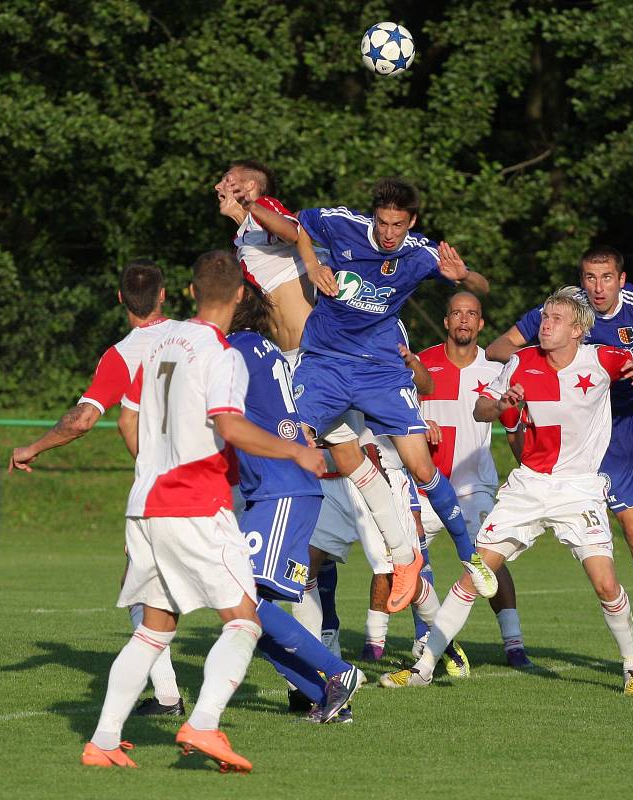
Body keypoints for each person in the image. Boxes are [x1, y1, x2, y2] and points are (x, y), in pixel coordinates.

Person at [80, 251, 325, 771]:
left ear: (189, 292)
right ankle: (206, 724)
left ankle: (102, 740)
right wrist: (297, 450)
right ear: (240, 296)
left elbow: (130, 416)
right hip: (195, 503)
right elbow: (230, 426)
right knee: (243, 620)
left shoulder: (159, 343)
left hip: (147, 504)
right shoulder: (222, 354)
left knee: (154, 629)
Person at [381, 287, 633, 695]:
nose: (544, 325)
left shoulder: (601, 360)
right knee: (474, 575)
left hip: (579, 488)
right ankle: (424, 667)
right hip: (528, 484)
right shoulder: (521, 362)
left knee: (604, 584)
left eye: (555, 320)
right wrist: (501, 405)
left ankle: (632, 668)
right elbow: (481, 408)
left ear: (578, 330)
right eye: (544, 317)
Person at [486, 245, 633, 683]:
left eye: (606, 277)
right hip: (602, 430)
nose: (597, 287)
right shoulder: (562, 312)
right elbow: (500, 347)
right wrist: (544, 352)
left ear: (620, 279)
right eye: (590, 278)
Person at [215, 160, 422, 611]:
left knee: (290, 450)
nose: (219, 186)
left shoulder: (262, 210)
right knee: (347, 457)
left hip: (310, 360)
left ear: (250, 187)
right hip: (298, 360)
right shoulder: (243, 236)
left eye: (228, 180)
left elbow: (293, 230)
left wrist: (308, 260)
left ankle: (241, 544)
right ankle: (405, 556)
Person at [293, 176, 498, 605]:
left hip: (381, 369)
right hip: (326, 363)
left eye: (398, 225)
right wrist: (312, 264)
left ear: (412, 221)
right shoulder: (343, 224)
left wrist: (464, 276)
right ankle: (282, 544)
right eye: (383, 223)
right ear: (374, 217)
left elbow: (481, 287)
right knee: (290, 440)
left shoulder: (422, 254)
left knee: (422, 467)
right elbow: (298, 225)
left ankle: (469, 556)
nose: (389, 233)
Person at [9, 259, 184, 716]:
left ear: (120, 299)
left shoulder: (122, 354)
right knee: (242, 587)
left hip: (162, 487)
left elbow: (83, 419)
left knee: (142, 588)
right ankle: (314, 674)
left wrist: (34, 447)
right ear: (164, 295)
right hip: (220, 477)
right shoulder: (198, 337)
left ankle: (167, 696)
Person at [227, 284, 365, 723]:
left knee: (239, 598)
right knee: (239, 611)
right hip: (279, 488)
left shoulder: (235, 350)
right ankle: (325, 693)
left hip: (280, 487)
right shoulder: (261, 348)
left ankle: (338, 672)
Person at [415, 291, 531, 669]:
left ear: (481, 324)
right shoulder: (421, 365)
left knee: (489, 560)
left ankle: (514, 645)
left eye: (472, 314)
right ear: (446, 321)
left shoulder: (497, 368)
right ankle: (400, 641)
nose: (463, 320)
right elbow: (397, 412)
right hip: (425, 485)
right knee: (406, 561)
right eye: (456, 314)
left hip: (473, 486)